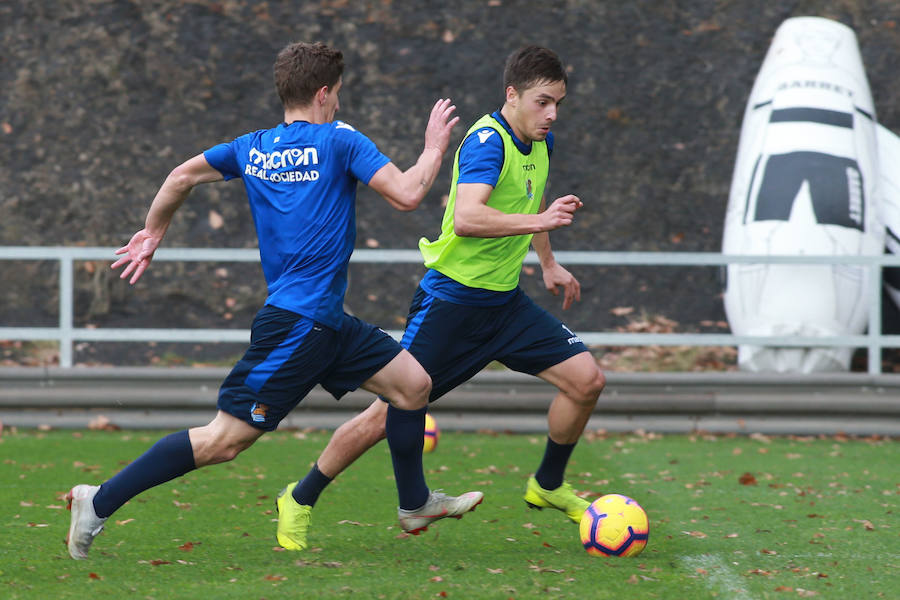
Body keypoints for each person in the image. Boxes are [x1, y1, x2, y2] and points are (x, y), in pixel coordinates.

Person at [65, 41, 483, 560]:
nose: (338, 105)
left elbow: (180, 176)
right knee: (225, 441)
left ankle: (415, 503)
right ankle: (98, 500)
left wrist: (152, 232)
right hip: (298, 324)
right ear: (324, 93)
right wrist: (435, 147)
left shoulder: (252, 147)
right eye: (338, 96)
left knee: (413, 384)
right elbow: (407, 193)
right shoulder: (339, 141)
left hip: (327, 321)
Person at [276, 45, 605, 550]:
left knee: (587, 380)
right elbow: (470, 219)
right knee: (385, 416)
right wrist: (541, 222)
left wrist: (547, 260)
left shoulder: (542, 141)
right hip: (452, 305)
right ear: (512, 95)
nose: (552, 113)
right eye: (543, 102)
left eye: (558, 102)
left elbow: (530, 199)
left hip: (505, 305)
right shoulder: (484, 143)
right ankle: (299, 498)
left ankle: (547, 485)